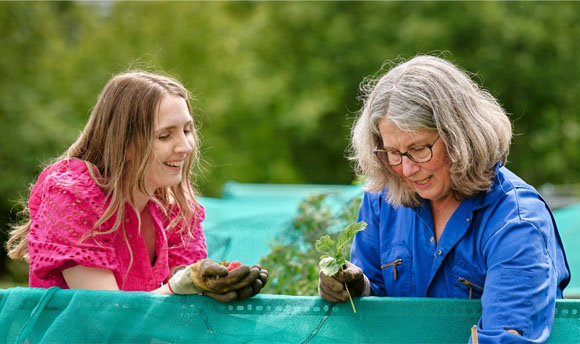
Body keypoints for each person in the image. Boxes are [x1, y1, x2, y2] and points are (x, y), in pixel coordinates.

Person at [318, 55, 570, 343]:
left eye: (419, 148)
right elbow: (373, 324)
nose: (407, 169)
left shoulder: (516, 221)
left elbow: (504, 339)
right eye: (393, 153)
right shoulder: (382, 200)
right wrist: (356, 289)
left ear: (461, 136)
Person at [6, 71, 268, 302]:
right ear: (126, 144)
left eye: (187, 130)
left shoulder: (175, 211)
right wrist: (180, 287)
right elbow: (105, 317)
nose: (185, 147)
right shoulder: (72, 197)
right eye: (165, 135)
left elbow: (183, 305)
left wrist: (212, 292)